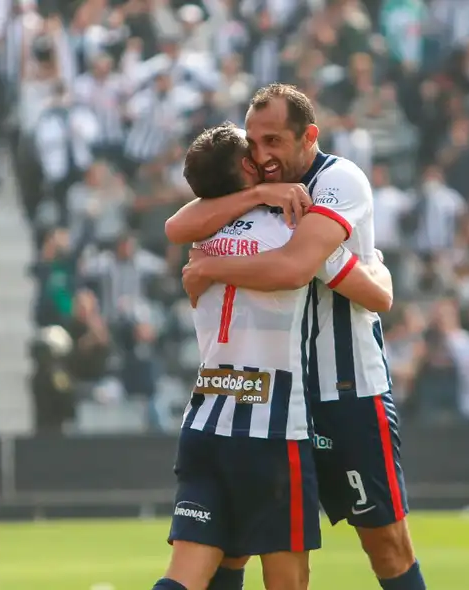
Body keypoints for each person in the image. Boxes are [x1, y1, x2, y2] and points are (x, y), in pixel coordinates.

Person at [167, 84, 426, 590]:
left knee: (385, 540)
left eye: (273, 142)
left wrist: (211, 268)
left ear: (308, 136)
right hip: (273, 405)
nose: (261, 156)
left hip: (344, 389)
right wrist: (259, 195)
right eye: (253, 143)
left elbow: (299, 267)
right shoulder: (251, 198)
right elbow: (180, 224)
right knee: (236, 548)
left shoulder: (339, 181)